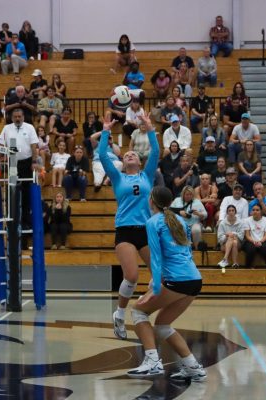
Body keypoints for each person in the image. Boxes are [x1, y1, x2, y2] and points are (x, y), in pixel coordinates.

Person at [126, 186, 206, 381]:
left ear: (151, 201)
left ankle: (152, 361)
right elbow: (187, 252)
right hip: (194, 279)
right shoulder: (180, 219)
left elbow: (155, 257)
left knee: (139, 312)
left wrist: (155, 287)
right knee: (162, 325)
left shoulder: (153, 222)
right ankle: (192, 367)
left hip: (178, 281)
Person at [99, 112, 159, 340]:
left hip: (145, 230)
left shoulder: (147, 176)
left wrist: (150, 128)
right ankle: (120, 314)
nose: (130, 154)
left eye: (134, 153)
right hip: (125, 230)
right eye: (127, 155)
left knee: (159, 277)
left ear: (140, 162)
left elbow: (156, 152)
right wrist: (106, 130)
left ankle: (143, 311)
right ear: (123, 164)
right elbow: (103, 157)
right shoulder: (118, 178)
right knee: (132, 276)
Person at [0, 108, 39, 228]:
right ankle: (11, 222)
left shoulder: (29, 127)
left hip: (27, 163)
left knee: (26, 193)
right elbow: (0, 145)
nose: (17, 119)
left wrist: (34, 161)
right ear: (12, 117)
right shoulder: (7, 128)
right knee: (12, 191)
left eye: (19, 116)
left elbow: (34, 145)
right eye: (15, 117)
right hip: (13, 163)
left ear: (23, 117)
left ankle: (26, 223)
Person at [217, 204, 245, 269]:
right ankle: (235, 263)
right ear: (227, 212)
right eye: (229, 211)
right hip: (224, 245)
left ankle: (225, 259)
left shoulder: (240, 222)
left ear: (235, 212)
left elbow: (241, 237)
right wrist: (226, 236)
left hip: (238, 244)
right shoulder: (222, 223)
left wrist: (233, 234)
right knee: (233, 241)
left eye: (233, 210)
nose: (231, 212)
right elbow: (220, 239)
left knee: (233, 239)